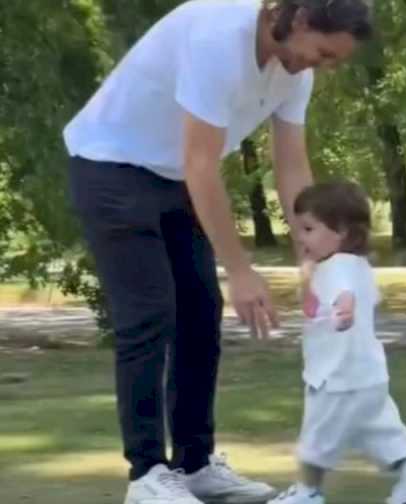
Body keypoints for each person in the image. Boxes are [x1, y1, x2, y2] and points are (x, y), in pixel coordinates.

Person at [62, 1, 373, 502]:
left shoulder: (295, 71)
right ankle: (146, 475)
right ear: (298, 20)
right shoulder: (216, 37)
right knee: (149, 313)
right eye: (324, 53)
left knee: (201, 311)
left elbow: (292, 164)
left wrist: (318, 257)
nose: (325, 66)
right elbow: (201, 164)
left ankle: (194, 464)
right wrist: (241, 270)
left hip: (172, 176)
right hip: (110, 165)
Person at [267, 181, 406, 504]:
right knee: (381, 430)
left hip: (336, 378)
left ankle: (307, 493)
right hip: (369, 374)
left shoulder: (335, 269)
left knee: (315, 439)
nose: (300, 237)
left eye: (308, 228)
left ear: (342, 231)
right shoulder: (359, 266)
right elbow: (330, 302)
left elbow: (342, 295)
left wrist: (343, 311)